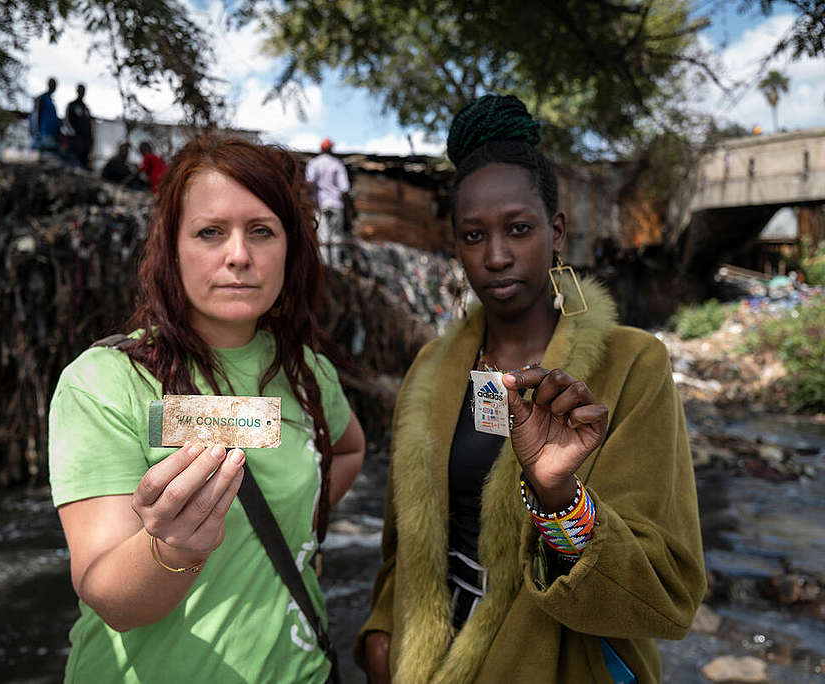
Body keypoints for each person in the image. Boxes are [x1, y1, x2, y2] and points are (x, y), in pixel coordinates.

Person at [356, 94, 705, 683]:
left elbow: (665, 591)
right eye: (473, 235)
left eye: (518, 229)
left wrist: (557, 494)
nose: (495, 256)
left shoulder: (632, 365)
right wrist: (382, 633)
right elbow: (405, 548)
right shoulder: (430, 371)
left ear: (556, 231)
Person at [49, 135, 366, 683]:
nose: (238, 255)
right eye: (210, 232)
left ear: (291, 249)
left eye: (261, 231)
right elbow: (111, 598)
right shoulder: (104, 382)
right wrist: (173, 547)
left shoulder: (308, 372)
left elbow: (350, 446)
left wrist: (297, 513)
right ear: (171, 248)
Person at [304, 138, 350, 267]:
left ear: (321, 149)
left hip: (320, 205)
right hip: (336, 204)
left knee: (322, 235)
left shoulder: (314, 163)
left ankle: (324, 266)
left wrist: (313, 196)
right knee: (335, 237)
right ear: (331, 149)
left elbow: (309, 182)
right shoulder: (337, 164)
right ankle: (334, 267)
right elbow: (344, 187)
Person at [65, 83, 94, 169]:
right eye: (80, 90)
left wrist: (90, 140)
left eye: (83, 91)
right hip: (75, 142)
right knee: (74, 163)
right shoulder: (72, 105)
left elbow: (89, 124)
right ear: (77, 91)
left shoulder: (86, 108)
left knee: (83, 164)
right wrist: (74, 135)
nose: (82, 93)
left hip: (85, 143)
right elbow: (67, 122)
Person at [30, 77, 61, 153]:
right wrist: (36, 132)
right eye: (52, 84)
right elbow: (35, 116)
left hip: (52, 135)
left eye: (54, 85)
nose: (53, 87)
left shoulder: (51, 101)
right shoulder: (42, 98)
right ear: (48, 85)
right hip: (43, 135)